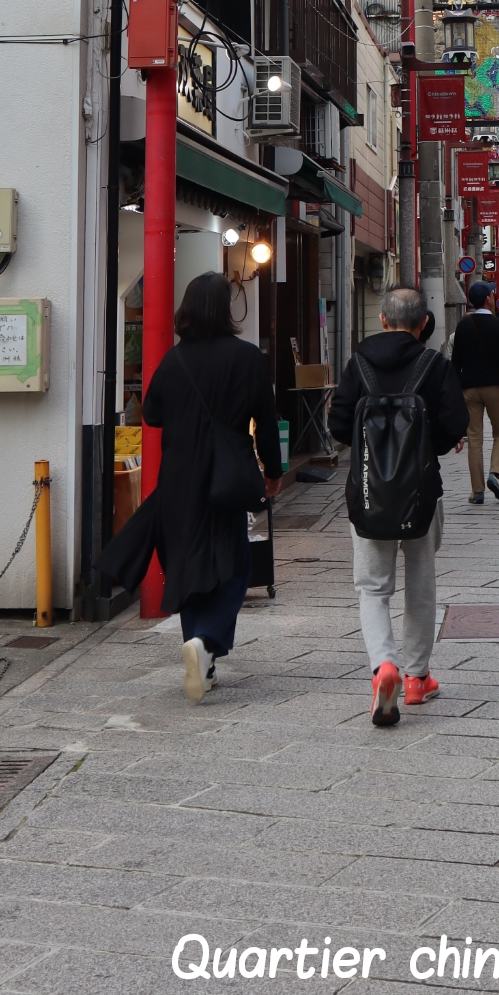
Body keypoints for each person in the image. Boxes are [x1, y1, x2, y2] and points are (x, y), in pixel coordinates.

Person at [101, 271, 282, 706]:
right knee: (234, 563)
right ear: (225, 310)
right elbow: (268, 421)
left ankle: (201, 655)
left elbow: (152, 416)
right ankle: (208, 643)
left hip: (180, 478)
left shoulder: (174, 360)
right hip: (226, 475)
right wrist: (273, 472)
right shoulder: (247, 358)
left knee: (186, 563)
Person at [328, 284, 469, 727]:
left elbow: (337, 426)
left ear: (383, 320)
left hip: (368, 494)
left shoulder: (359, 364)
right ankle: (415, 678)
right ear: (423, 323)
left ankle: (382, 667)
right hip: (422, 493)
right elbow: (453, 427)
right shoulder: (435, 365)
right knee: (420, 583)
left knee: (372, 586)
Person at [451, 280, 499, 505]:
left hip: (468, 388)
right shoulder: (498, 326)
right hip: (494, 387)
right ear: (488, 299)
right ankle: (495, 473)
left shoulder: (463, 326)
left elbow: (455, 362)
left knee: (474, 438)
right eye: (492, 294)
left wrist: (454, 390)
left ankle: (477, 491)